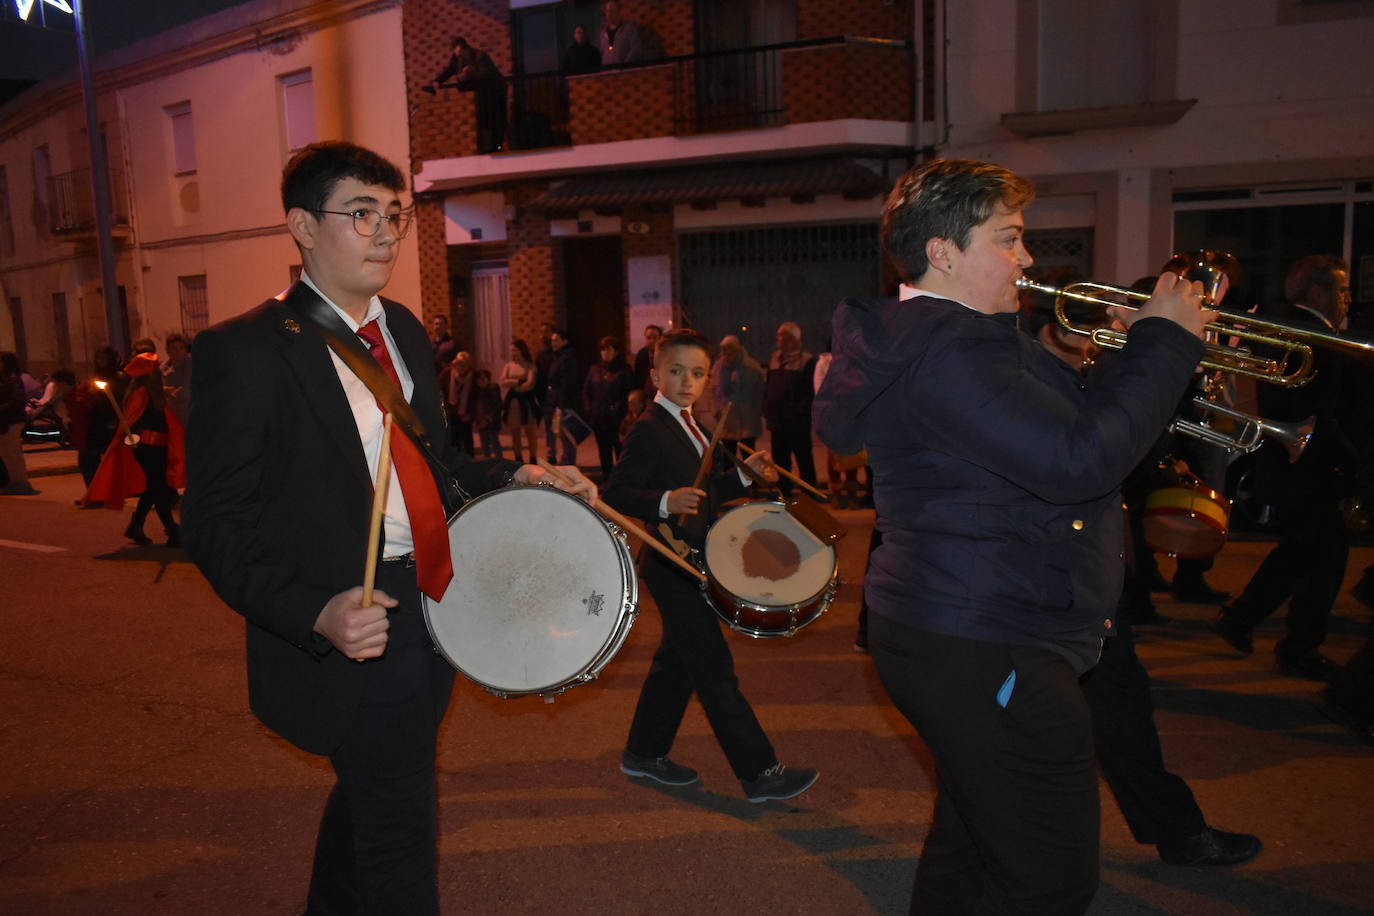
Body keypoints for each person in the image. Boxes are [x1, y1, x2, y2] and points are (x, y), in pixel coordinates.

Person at [180, 141, 593, 915]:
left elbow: (434, 465)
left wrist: (517, 475)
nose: (385, 233)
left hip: (436, 599)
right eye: (361, 213)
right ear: (302, 226)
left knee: (378, 789)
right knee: (401, 826)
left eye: (394, 215)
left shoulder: (400, 328)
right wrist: (315, 611)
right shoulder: (245, 350)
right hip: (356, 621)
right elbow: (211, 523)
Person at [814, 158, 1213, 913]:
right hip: (985, 637)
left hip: (970, 624)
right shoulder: (953, 349)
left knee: (971, 845)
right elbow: (1080, 460)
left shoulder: (961, 338)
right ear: (943, 252)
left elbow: (1065, 435)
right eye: (1008, 238)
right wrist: (1164, 344)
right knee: (1050, 880)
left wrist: (1134, 354)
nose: (1027, 259)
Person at [1028, 290, 1262, 868]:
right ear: (1045, 325)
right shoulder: (1026, 381)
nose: (1090, 340)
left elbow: (1129, 453)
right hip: (1044, 580)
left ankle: (1175, 830)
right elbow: (1083, 461)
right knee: (1029, 724)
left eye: (1098, 327)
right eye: (1079, 327)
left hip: (1095, 571)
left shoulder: (1092, 375)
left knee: (1122, 704)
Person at [604, 328, 818, 803]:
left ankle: (643, 753)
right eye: (676, 371)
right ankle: (761, 773)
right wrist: (663, 500)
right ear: (656, 373)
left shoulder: (691, 424)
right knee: (714, 668)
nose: (687, 381)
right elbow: (615, 493)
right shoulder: (649, 426)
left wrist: (742, 475)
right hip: (668, 561)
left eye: (697, 373)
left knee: (677, 663)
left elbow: (704, 495)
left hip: (692, 559)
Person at [1213, 255, 1355, 681]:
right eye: (1341, 291)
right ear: (1316, 293)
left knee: (1300, 554)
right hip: (1306, 464)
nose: (1347, 300)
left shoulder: (1305, 329)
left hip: (1305, 463)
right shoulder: (1302, 331)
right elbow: (1291, 402)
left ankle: (1242, 618)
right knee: (1324, 560)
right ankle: (1297, 647)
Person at [85, 352, 185, 545]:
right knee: (157, 488)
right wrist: (137, 441)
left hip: (160, 446)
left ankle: (139, 526)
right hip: (147, 447)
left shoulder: (154, 393)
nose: (158, 372)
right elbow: (133, 422)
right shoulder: (141, 394)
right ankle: (171, 530)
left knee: (155, 489)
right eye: (155, 368)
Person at [764, 321, 818, 495]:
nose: (779, 339)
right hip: (777, 422)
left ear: (794, 339)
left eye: (783, 336)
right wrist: (767, 407)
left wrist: (797, 412)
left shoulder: (807, 360)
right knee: (780, 462)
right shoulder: (775, 358)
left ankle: (810, 495)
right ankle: (783, 494)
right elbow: (769, 387)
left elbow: (810, 393)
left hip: (797, 423)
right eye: (778, 335)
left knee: (803, 459)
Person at [430, 36, 507, 154]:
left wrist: (470, 73)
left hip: (491, 94)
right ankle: (487, 147)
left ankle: (494, 147)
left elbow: (486, 74)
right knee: (484, 122)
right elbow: (450, 69)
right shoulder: (458, 58)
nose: (455, 54)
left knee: (491, 121)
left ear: (459, 47)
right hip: (480, 95)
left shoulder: (478, 56)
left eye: (455, 50)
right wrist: (438, 80)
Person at [582, 335, 634, 479]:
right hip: (599, 418)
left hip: (616, 420)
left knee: (620, 451)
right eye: (602, 349)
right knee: (604, 452)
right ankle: (607, 480)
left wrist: (617, 408)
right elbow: (587, 390)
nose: (605, 352)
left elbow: (628, 393)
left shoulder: (623, 370)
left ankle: (622, 481)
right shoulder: (595, 369)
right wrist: (589, 408)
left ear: (616, 351)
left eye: (608, 349)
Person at [708, 334, 764, 455]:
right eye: (724, 350)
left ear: (737, 349)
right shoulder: (718, 368)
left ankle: (747, 475)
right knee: (728, 458)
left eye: (729, 349)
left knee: (748, 458)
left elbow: (760, 392)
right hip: (726, 421)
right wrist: (715, 410)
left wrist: (757, 411)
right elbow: (712, 390)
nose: (726, 354)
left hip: (747, 421)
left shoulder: (751, 367)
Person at [0, 351, 36, 495]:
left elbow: (17, 400)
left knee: (13, 452)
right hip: (6, 420)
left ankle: (21, 482)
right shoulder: (5, 379)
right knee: (6, 452)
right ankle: (15, 481)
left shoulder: (13, 379)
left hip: (12, 420)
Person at [543, 327, 581, 465]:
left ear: (565, 341)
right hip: (555, 401)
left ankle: (569, 463)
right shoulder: (557, 356)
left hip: (564, 403)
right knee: (559, 433)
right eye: (552, 340)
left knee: (567, 435)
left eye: (556, 340)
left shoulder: (568, 357)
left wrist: (561, 405)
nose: (553, 343)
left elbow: (567, 383)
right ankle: (566, 462)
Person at [500, 338, 539, 462]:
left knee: (530, 431)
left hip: (526, 401)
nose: (513, 353)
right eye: (511, 351)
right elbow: (502, 381)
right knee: (515, 431)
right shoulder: (509, 366)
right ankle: (518, 458)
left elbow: (530, 383)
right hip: (513, 402)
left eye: (515, 350)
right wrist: (517, 382)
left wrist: (518, 386)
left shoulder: (529, 366)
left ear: (522, 351)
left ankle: (533, 457)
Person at [442, 350, 476, 454]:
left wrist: (471, 413)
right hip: (451, 411)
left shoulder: (473, 376)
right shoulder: (448, 373)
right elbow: (440, 388)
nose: (459, 368)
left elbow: (476, 397)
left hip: (466, 413)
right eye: (457, 365)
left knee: (467, 439)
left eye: (463, 365)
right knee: (454, 438)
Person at [597, 1, 642, 66]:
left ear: (618, 12)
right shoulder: (602, 33)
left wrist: (624, 65)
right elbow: (600, 54)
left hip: (624, 73)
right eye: (607, 11)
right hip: (607, 72)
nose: (609, 14)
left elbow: (635, 50)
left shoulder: (628, 29)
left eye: (612, 11)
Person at [163, 334, 193, 428]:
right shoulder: (163, 368)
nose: (178, 352)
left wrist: (167, 391)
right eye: (174, 348)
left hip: (190, 414)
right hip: (174, 417)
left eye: (181, 348)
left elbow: (184, 393)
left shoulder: (191, 365)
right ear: (168, 350)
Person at [471, 368, 503, 458]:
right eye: (479, 379)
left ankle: (500, 463)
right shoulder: (476, 391)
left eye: (484, 378)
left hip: (492, 422)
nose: (482, 381)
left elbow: (498, 405)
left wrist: (488, 418)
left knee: (494, 443)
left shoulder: (493, 388)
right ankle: (488, 463)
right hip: (481, 422)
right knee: (484, 444)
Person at [633, 324, 662, 394]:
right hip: (646, 393)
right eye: (649, 338)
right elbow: (638, 377)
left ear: (660, 338)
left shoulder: (666, 353)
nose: (652, 341)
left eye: (655, 337)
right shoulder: (642, 354)